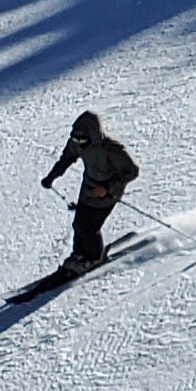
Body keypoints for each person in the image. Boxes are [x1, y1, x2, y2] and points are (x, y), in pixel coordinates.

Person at [39, 109, 141, 279]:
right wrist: (51, 177)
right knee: (79, 222)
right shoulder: (76, 143)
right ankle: (79, 255)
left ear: (93, 135)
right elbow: (66, 159)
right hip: (88, 188)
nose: (78, 143)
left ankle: (94, 258)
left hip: (107, 193)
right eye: (76, 139)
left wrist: (107, 187)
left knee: (89, 226)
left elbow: (131, 171)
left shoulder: (111, 149)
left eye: (82, 139)